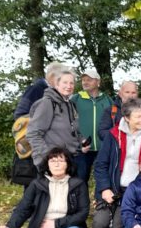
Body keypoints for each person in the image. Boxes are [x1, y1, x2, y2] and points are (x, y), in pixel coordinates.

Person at [93, 98, 141, 228]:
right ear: (127, 118)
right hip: (113, 187)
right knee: (99, 222)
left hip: (135, 190)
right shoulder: (113, 134)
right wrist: (105, 188)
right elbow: (100, 165)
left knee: (117, 227)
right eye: (138, 117)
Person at [11, 61, 68, 189]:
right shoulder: (36, 89)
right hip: (35, 146)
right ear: (52, 77)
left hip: (51, 145)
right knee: (34, 184)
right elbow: (20, 115)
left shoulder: (57, 93)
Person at [26, 66, 82, 170]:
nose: (69, 86)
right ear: (56, 84)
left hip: (69, 160)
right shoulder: (47, 103)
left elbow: (72, 131)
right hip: (52, 164)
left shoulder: (70, 104)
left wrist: (81, 142)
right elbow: (33, 133)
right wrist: (48, 158)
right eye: (65, 82)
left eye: (71, 83)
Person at [71, 68, 112, 183]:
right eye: (83, 80)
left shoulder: (107, 100)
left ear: (98, 82)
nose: (85, 82)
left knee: (103, 180)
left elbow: (114, 121)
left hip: (103, 148)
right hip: (82, 148)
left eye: (89, 80)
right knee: (80, 179)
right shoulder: (76, 99)